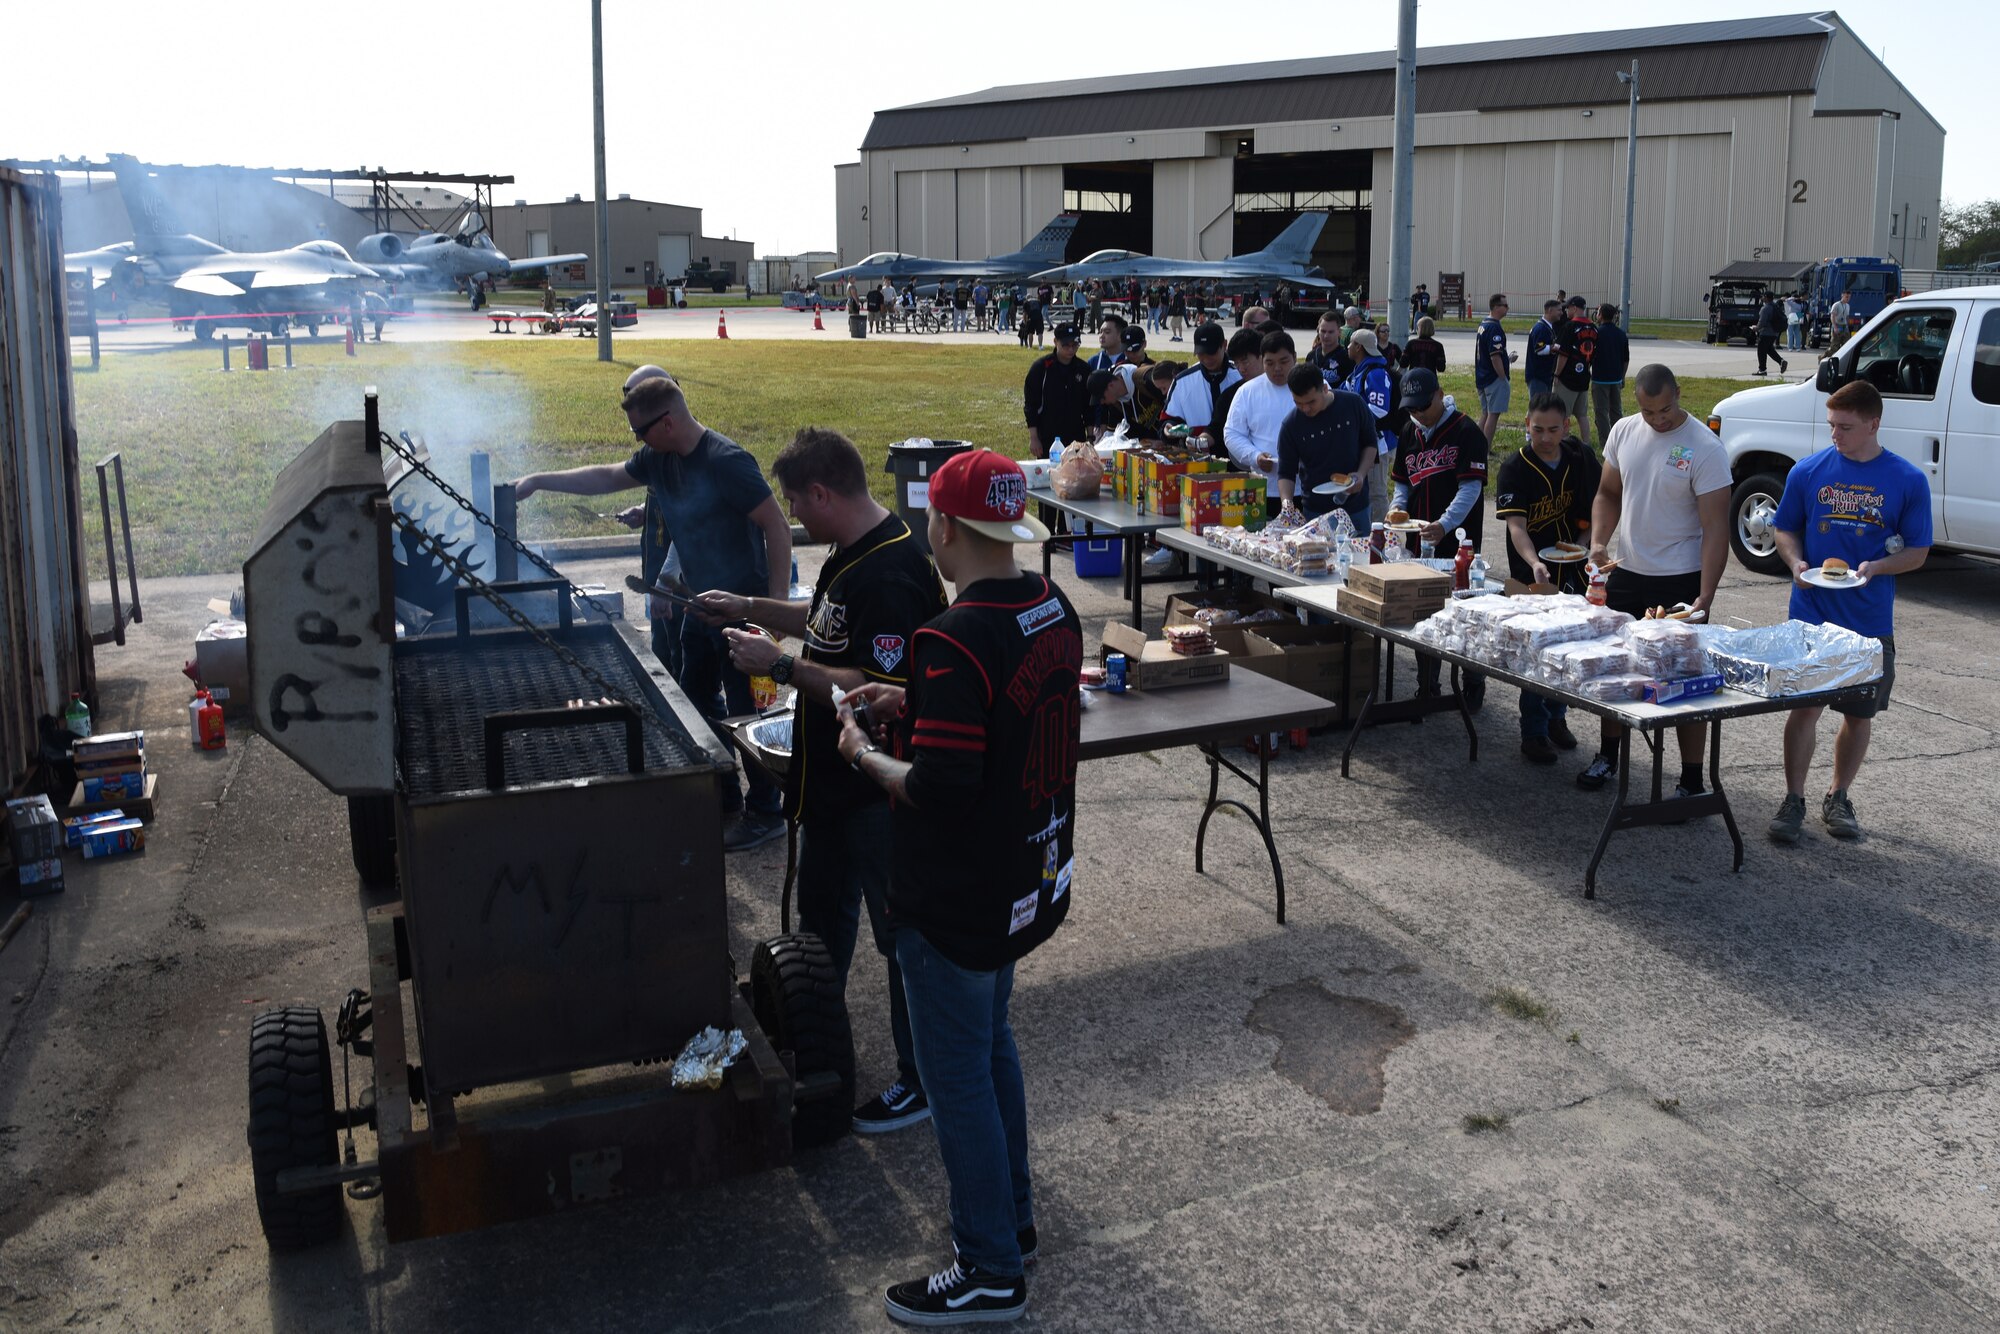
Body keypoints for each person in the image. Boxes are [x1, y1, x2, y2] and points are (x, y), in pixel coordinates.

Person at [834, 449, 1080, 1327]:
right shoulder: (1052, 605)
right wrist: (912, 701)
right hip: (1028, 874)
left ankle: (987, 1269)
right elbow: (992, 723)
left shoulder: (953, 635)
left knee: (957, 1080)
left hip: (957, 896)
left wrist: (864, 751)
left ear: (942, 525)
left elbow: (938, 789)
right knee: (992, 1048)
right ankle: (1010, 1222)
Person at [693, 429, 948, 1133]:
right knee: (822, 925)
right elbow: (827, 625)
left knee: (899, 939)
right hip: (833, 791)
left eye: (798, 504)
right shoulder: (853, 550)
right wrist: (748, 607)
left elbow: (876, 684)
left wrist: (776, 666)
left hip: (876, 794)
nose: (795, 517)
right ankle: (815, 1043)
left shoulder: (892, 571)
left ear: (824, 493)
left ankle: (920, 1080)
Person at [511, 376, 793, 849]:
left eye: (639, 432)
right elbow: (605, 475)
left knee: (749, 711)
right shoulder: (659, 459)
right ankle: (723, 792)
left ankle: (767, 812)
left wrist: (774, 616)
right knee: (697, 701)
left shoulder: (727, 461)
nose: (636, 442)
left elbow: (778, 528)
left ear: (666, 423)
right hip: (697, 607)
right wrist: (540, 481)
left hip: (743, 611)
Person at [1766, 380, 1931, 843]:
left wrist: (1877, 566)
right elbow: (1785, 530)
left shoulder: (1907, 480)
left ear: (1874, 423)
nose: (1835, 434)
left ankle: (1838, 796)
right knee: (1804, 709)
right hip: (1813, 614)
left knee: (1859, 716)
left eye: (1845, 426)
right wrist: (1795, 561)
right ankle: (1793, 798)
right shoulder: (1808, 471)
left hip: (1869, 621)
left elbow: (1918, 551)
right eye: (1831, 424)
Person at [1580, 364, 1731, 794]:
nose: (1657, 420)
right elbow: (1608, 493)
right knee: (1616, 669)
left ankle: (1691, 778)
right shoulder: (1625, 432)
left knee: (1683, 681)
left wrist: (1706, 593)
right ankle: (1608, 756)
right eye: (1648, 412)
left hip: (1680, 578)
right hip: (1627, 571)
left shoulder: (1704, 446)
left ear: (1678, 394)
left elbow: (1716, 526)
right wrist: (1598, 542)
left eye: (1664, 410)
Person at [1495, 394, 1602, 762]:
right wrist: (1533, 564)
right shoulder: (1515, 466)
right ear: (1526, 424)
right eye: (1537, 429)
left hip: (1573, 569)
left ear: (1566, 427)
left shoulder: (1580, 460)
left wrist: (1585, 546)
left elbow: (1597, 512)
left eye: (1552, 429)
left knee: (1568, 648)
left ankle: (1558, 717)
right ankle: (1534, 731)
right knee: (1536, 650)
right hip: (1532, 573)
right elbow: (1517, 527)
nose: (1544, 437)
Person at [1389, 368, 1490, 703]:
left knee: (1465, 615)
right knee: (1423, 611)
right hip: (1419, 540)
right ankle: (1427, 685)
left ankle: (1472, 683)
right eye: (1411, 407)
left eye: (1423, 405)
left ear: (1438, 394)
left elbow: (1470, 488)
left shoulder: (1465, 429)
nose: (1417, 412)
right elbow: (1402, 481)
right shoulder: (1408, 431)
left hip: (1459, 542)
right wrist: (1396, 509)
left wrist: (1445, 524)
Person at [1276, 364, 1375, 531]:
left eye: (1311, 402)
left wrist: (1361, 474)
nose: (1305, 409)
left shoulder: (1353, 404)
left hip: (1356, 505)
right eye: (1298, 403)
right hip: (1316, 511)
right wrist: (1287, 505)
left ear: (1324, 388)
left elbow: (1370, 444)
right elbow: (1286, 472)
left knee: (1361, 555)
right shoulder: (1291, 424)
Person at [1222, 328, 1299, 484]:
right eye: (1270, 363)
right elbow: (1232, 433)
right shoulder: (1247, 391)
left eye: (1283, 362)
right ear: (1262, 360)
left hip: (1306, 485)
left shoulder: (1315, 385)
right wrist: (1255, 456)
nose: (1277, 368)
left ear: (1295, 358)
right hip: (1263, 485)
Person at [1344, 327, 1396, 519]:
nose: (1347, 346)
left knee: (1376, 492)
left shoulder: (1375, 374)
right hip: (1363, 441)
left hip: (1378, 444)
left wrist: (1352, 419)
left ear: (1358, 347)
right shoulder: (1358, 371)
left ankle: (1382, 535)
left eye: (1350, 343)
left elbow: (1380, 409)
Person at [1162, 322, 1241, 448]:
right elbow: (1168, 421)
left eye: (1211, 353)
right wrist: (1168, 429)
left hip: (1237, 458)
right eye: (1201, 354)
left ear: (1224, 345)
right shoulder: (1182, 381)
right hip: (1196, 459)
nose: (1207, 359)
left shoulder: (1241, 376)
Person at [1022, 323, 1091, 456]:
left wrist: (1091, 437)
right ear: (1055, 342)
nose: (1071, 349)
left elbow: (1089, 407)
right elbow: (1031, 405)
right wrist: (1034, 438)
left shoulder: (1084, 369)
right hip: (1048, 436)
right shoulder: (1041, 368)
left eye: (1075, 345)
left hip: (1077, 436)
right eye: (1066, 345)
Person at [1210, 327, 1268, 455]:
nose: (1241, 369)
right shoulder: (1232, 395)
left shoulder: (1289, 388)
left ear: (1261, 356)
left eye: (1245, 361)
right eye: (1236, 363)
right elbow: (1218, 428)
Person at [1553, 296, 1596, 450]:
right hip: (1584, 376)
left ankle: (1563, 444)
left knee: (1563, 414)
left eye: (1568, 308)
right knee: (1582, 415)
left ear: (1575, 308)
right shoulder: (1593, 327)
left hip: (1568, 378)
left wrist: (1557, 374)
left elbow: (1563, 354)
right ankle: (1586, 444)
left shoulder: (1570, 326)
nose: (1566, 311)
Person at [1475, 294, 1514, 444]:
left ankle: (1476, 447)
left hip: (1482, 375)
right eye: (1505, 305)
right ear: (1497, 307)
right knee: (1493, 415)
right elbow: (1495, 356)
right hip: (1493, 378)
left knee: (1485, 414)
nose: (1507, 308)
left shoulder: (1484, 324)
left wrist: (1507, 358)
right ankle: (1485, 449)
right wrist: (1502, 377)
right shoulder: (1494, 328)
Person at [1590, 303, 1631, 442]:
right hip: (1616, 379)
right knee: (1616, 411)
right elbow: (1626, 359)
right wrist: (1622, 377)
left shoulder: (1596, 334)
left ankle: (1606, 441)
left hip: (1600, 379)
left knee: (1601, 412)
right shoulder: (1621, 334)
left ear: (1600, 315)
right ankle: (1618, 439)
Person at [1085, 364, 1141, 440]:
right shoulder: (1115, 405)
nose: (1102, 402)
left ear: (1111, 386)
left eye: (1102, 398)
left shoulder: (1142, 381)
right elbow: (1111, 436)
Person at [1524, 299, 1560, 402]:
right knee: (1537, 408)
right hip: (1538, 376)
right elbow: (1539, 349)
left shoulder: (1548, 327)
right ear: (1550, 310)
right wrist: (1554, 348)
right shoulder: (1541, 328)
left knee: (1543, 408)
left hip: (1545, 375)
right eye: (1559, 310)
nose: (1561, 313)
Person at [1304, 309, 1352, 387]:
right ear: (1318, 331)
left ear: (1339, 332)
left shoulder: (1347, 358)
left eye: (1331, 332)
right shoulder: (1311, 356)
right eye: (1323, 331)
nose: (1326, 336)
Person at [1756, 294, 1791, 377]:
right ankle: (1781, 361)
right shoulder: (1775, 306)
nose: (1762, 298)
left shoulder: (1765, 308)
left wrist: (1756, 328)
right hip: (1775, 332)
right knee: (1769, 349)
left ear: (1766, 298)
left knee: (1761, 351)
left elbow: (1762, 322)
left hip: (1766, 332)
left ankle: (1762, 370)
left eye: (1763, 296)